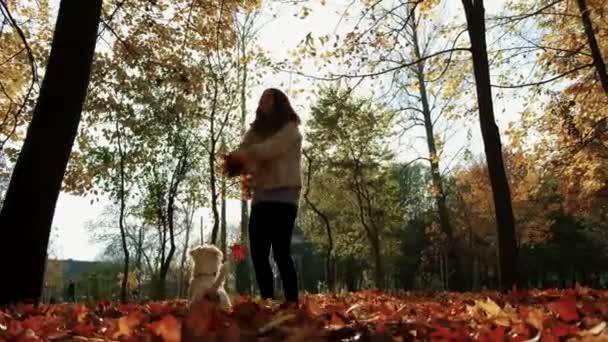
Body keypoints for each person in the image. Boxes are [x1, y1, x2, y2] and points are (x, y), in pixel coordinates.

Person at [229, 88, 302, 306]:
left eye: (267, 99)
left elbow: (272, 148)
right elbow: (243, 149)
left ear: (278, 103)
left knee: (281, 253)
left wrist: (247, 154)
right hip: (261, 198)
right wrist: (236, 160)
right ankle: (268, 300)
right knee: (259, 255)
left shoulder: (290, 129)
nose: (262, 102)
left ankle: (292, 301)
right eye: (260, 99)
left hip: (284, 198)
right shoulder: (255, 131)